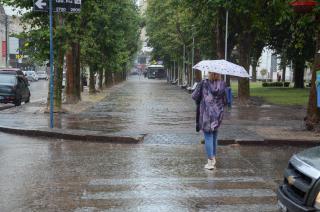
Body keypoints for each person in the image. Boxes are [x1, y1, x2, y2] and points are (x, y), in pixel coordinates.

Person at [192, 72, 227, 170]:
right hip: (218, 114)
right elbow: (225, 100)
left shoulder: (203, 83)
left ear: (209, 73)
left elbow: (194, 96)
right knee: (214, 136)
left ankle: (210, 162)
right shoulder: (223, 84)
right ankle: (213, 158)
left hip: (207, 114)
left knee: (208, 136)